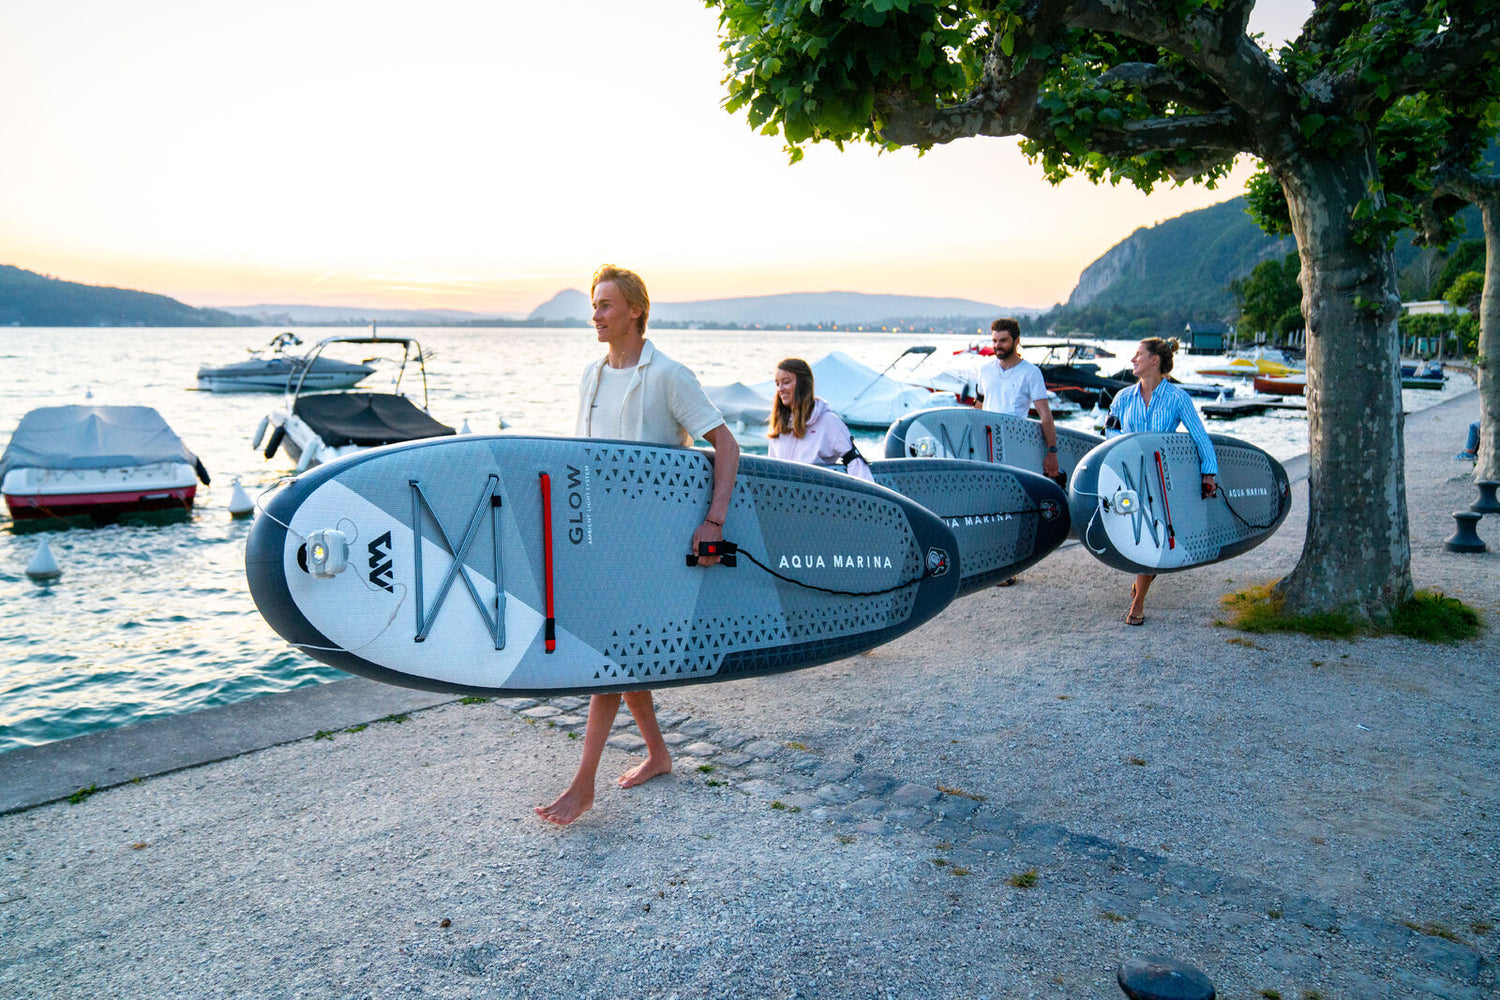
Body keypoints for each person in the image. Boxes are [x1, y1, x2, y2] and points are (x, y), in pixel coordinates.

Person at [535, 265, 740, 826]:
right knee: (623, 654)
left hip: (651, 543)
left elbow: (725, 443)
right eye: (593, 305)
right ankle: (658, 753)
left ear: (634, 311)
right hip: (599, 542)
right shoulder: (591, 376)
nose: (594, 315)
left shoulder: (670, 375)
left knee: (611, 654)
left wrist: (714, 520)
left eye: (604, 305)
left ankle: (583, 784)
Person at [1105, 337, 1218, 626]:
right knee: (1136, 533)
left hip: (1160, 476)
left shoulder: (1177, 398)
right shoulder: (1122, 398)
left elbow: (1198, 435)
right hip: (1129, 475)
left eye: (1138, 354)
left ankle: (1138, 600)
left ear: (1154, 360)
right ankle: (1146, 576)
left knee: (1151, 533)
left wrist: (1209, 472)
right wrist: (1130, 444)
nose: (1133, 359)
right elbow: (1107, 435)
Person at [975, 317, 1059, 585]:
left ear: (1016, 340)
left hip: (1014, 448)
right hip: (985, 448)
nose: (998, 346)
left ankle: (1009, 566)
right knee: (989, 504)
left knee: (1011, 507)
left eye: (1003, 341)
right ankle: (996, 562)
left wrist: (1052, 452)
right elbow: (977, 407)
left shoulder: (1030, 373)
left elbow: (1045, 416)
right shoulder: (985, 371)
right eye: (994, 341)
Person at [766, 358, 874, 482]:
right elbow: (771, 470)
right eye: (777, 384)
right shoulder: (779, 426)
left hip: (816, 497)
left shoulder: (828, 422)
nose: (780, 389)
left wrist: (869, 498)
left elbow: (855, 462)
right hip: (782, 497)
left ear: (803, 383)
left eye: (786, 382)